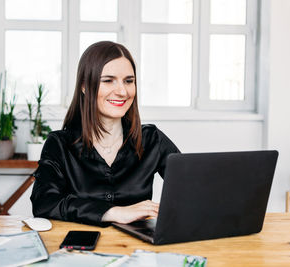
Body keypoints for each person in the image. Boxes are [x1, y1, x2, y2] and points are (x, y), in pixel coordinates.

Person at [31, 41, 180, 226]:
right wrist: (112, 212)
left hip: (138, 249)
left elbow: (192, 186)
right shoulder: (59, 144)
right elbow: (44, 203)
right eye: (108, 80)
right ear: (85, 87)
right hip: (79, 250)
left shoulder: (152, 139)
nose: (122, 91)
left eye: (129, 81)